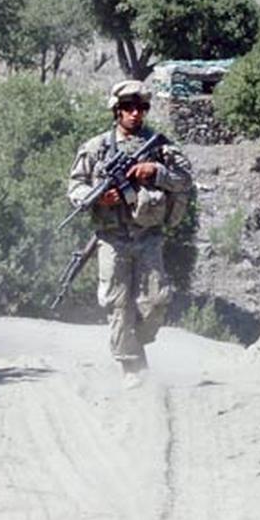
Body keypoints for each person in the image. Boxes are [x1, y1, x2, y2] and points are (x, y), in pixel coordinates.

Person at [68, 80, 192, 388]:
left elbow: (185, 180)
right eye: (128, 108)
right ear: (116, 111)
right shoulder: (97, 147)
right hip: (111, 237)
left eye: (142, 108)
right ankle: (130, 367)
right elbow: (75, 187)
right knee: (116, 302)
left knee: (156, 301)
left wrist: (156, 172)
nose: (136, 114)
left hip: (148, 235)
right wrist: (98, 198)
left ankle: (135, 345)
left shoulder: (161, 147)